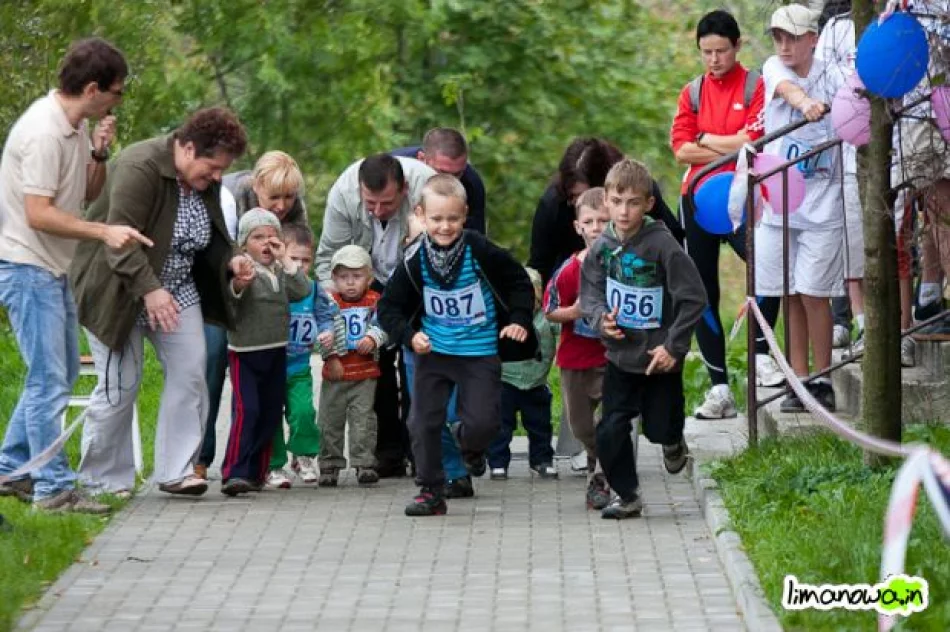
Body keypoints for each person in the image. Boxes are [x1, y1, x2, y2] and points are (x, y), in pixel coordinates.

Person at [70, 107, 249, 497]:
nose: (218, 177)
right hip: (117, 288)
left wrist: (233, 258)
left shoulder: (204, 181)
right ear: (186, 148)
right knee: (122, 384)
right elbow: (120, 243)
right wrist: (150, 290)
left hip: (175, 287)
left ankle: (176, 470)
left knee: (190, 371)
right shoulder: (141, 166)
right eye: (213, 167)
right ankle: (100, 480)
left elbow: (215, 234)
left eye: (222, 170)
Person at [0, 37, 140, 513]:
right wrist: (103, 232)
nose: (118, 101)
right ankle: (53, 488)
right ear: (95, 88)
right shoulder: (43, 131)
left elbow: (83, 194)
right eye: (117, 92)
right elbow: (38, 213)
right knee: (49, 381)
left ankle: (11, 470)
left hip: (51, 267)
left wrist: (99, 153)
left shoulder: (74, 126)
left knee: (53, 375)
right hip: (26, 266)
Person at [378, 174, 537, 517]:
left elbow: (518, 281)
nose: (445, 227)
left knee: (483, 423)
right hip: (433, 353)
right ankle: (431, 491)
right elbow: (388, 307)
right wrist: (409, 336)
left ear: (465, 215)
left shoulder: (480, 250)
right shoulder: (414, 259)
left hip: (479, 354)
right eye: (436, 219)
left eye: (452, 218)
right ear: (420, 215)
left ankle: (470, 445)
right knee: (421, 422)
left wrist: (519, 320)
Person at [670, 10, 786, 419]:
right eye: (706, 52)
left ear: (737, 46)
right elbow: (681, 149)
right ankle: (719, 388)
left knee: (769, 267)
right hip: (698, 200)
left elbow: (754, 141)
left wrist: (707, 139)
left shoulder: (757, 85)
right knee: (701, 291)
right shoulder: (693, 92)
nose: (714, 59)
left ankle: (760, 353)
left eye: (721, 50)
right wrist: (727, 144)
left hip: (746, 196)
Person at [580, 159, 706, 520]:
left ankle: (672, 441)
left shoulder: (663, 245)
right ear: (605, 200)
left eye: (633, 202)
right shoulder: (602, 247)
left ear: (648, 204)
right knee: (610, 429)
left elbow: (693, 298)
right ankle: (628, 495)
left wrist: (674, 346)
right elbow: (590, 293)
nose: (623, 210)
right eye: (617, 201)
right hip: (621, 356)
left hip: (659, 356)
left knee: (658, 425)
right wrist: (601, 319)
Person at [316, 153, 436, 477]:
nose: (379, 211)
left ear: (405, 190)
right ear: (359, 190)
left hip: (415, 281)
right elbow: (329, 257)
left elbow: (446, 248)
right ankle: (386, 452)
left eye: (387, 203)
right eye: (371, 203)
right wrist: (335, 311)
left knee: (417, 361)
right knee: (374, 365)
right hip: (366, 280)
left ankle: (420, 449)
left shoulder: (429, 188)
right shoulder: (343, 195)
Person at [197, 150, 310, 479]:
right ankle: (202, 456)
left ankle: (262, 464)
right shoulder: (230, 198)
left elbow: (296, 262)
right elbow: (218, 252)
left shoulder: (295, 208)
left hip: (266, 316)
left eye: (289, 197)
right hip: (224, 290)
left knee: (268, 397)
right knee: (215, 357)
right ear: (256, 184)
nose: (282, 205)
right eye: (274, 197)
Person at [756, 4, 846, 411]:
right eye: (778, 37)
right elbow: (788, 91)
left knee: (814, 293)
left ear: (813, 38)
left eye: (793, 37)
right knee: (789, 292)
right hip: (781, 201)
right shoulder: (774, 67)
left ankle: (821, 378)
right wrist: (806, 102)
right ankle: (797, 378)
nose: (784, 45)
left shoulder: (835, 72)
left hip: (822, 202)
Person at [220, 209, 310, 496]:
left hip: (276, 351)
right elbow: (230, 300)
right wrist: (238, 283)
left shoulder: (281, 271)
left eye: (273, 237)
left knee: (270, 413)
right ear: (244, 243)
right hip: (245, 352)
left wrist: (287, 259)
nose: (266, 243)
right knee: (249, 410)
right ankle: (235, 471)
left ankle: (257, 473)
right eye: (258, 237)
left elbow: (302, 290)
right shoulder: (243, 269)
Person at [528, 137, 684, 285]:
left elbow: (675, 245)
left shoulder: (638, 192)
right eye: (576, 196)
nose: (585, 203)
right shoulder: (554, 204)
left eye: (593, 196)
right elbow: (540, 267)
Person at [544, 187, 611, 510]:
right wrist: (576, 311)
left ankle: (602, 477)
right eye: (590, 221)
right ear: (578, 227)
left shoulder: (624, 265)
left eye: (603, 220)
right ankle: (597, 453)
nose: (596, 227)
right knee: (581, 425)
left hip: (613, 356)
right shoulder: (570, 270)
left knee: (612, 419)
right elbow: (550, 309)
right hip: (575, 358)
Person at [264, 223, 337, 489]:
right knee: (270, 417)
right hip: (271, 367)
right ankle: (273, 465)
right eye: (294, 258)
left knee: (304, 412)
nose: (300, 265)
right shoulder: (272, 284)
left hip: (299, 367)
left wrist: (327, 332)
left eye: (306, 260)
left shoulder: (314, 289)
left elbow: (325, 316)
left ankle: (304, 456)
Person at [815, 1, 868, 354]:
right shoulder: (835, 28)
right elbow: (824, 83)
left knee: (885, 236)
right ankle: (852, 318)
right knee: (847, 232)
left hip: (888, 141)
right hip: (844, 144)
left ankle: (896, 323)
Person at [318, 245, 388, 486]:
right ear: (334, 278)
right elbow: (323, 329)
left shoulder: (375, 301)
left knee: (363, 421)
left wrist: (372, 338)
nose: (350, 283)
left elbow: (384, 324)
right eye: (343, 277)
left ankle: (365, 463)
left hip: (365, 374)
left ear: (368, 278)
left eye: (356, 277)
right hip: (335, 374)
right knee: (330, 420)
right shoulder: (328, 302)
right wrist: (330, 356)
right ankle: (329, 464)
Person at [487, 267, 558, 480]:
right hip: (505, 380)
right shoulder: (503, 317)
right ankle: (498, 462)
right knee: (501, 426)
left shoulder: (546, 318)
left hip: (536, 382)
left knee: (540, 425)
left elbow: (562, 331)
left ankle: (541, 460)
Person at [392, 127, 487, 234]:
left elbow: (474, 238)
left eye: (457, 174)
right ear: (422, 158)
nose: (450, 181)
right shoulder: (392, 169)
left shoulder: (471, 184)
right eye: (442, 173)